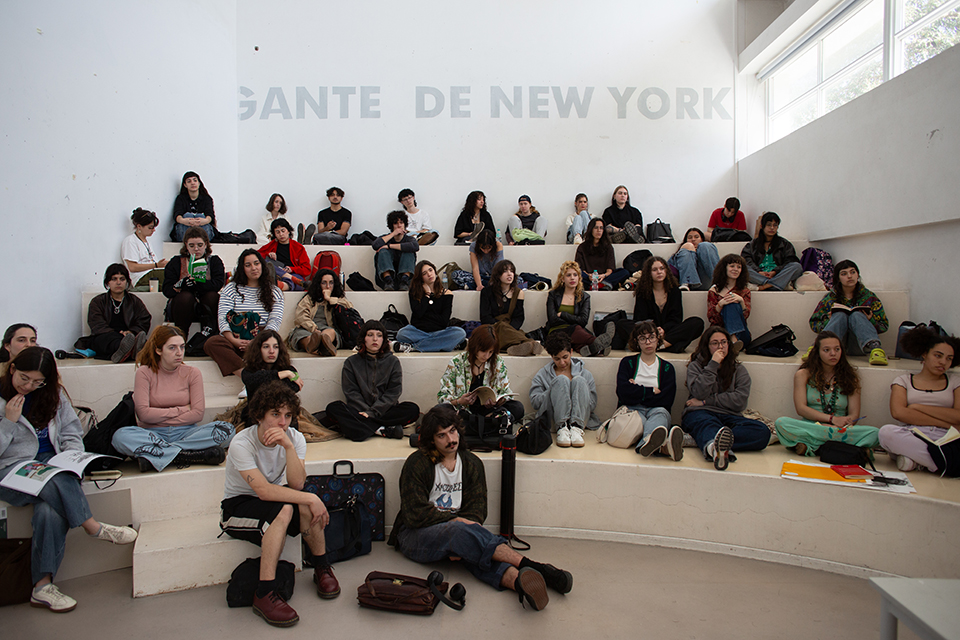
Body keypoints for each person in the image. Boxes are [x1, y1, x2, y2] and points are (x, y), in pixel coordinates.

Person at [388, 404, 573, 611]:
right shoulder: (417, 463)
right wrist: (456, 524)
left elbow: (477, 510)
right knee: (460, 533)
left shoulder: (471, 463)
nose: (451, 439)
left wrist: (459, 535)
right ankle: (537, 567)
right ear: (432, 440)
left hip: (460, 533)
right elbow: (414, 513)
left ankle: (520, 583)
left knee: (473, 549)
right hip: (415, 535)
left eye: (452, 431)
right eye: (442, 435)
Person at [0, 347, 138, 613]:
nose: (29, 386)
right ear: (13, 369)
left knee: (49, 509)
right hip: (10, 469)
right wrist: (8, 422)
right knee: (53, 479)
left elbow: (71, 433)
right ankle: (93, 526)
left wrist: (72, 458)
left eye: (37, 382)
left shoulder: (54, 394)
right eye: (24, 378)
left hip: (50, 463)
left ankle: (42, 587)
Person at [220, 382, 340, 627]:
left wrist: (288, 447)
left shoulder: (294, 438)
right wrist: (312, 497)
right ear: (259, 416)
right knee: (293, 505)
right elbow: (263, 491)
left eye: (287, 416)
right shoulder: (242, 443)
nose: (282, 423)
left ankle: (321, 566)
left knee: (302, 503)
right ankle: (264, 593)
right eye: (275, 414)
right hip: (238, 507)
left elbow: (296, 484)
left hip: (273, 500)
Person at [111, 326, 233, 472]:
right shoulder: (144, 372)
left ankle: (161, 454)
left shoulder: (192, 373)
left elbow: (197, 414)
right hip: (152, 434)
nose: (179, 353)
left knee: (227, 430)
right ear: (159, 350)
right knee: (120, 436)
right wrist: (181, 410)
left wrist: (158, 415)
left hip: (186, 433)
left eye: (182, 347)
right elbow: (143, 414)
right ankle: (188, 455)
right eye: (172, 348)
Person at [774, 331, 878, 456]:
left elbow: (854, 414)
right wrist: (831, 419)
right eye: (826, 350)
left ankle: (812, 446)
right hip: (813, 426)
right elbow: (801, 409)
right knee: (781, 423)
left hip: (839, 429)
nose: (833, 353)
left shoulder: (851, 377)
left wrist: (841, 424)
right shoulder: (803, 374)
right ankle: (845, 448)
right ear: (817, 352)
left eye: (837, 349)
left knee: (875, 433)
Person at [681, 327, 770, 470]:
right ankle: (715, 449)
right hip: (700, 413)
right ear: (707, 346)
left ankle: (705, 440)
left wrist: (706, 402)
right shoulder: (695, 366)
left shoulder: (739, 370)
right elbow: (699, 392)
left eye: (724, 342)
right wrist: (713, 365)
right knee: (707, 423)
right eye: (715, 343)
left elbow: (740, 401)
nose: (720, 347)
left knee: (762, 432)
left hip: (729, 416)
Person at [878, 327, 960, 473]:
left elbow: (958, 416)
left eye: (949, 358)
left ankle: (917, 461)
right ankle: (942, 463)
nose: (943, 362)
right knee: (886, 433)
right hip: (913, 434)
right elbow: (899, 413)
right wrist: (946, 423)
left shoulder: (955, 382)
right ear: (924, 354)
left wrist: (917, 407)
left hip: (947, 436)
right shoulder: (903, 380)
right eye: (938, 355)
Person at [324, 320, 420, 441]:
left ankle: (362, 428)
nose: (375, 339)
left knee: (412, 409)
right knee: (333, 408)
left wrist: (372, 412)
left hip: (384, 410)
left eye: (379, 335)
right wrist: (365, 411)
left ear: (384, 340)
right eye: (370, 335)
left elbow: (393, 392)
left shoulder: (392, 362)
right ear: (363, 338)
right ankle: (382, 429)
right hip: (359, 410)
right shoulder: (351, 362)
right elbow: (351, 392)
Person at [204, 249, 284, 378]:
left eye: (256, 263)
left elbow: (274, 321)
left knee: (272, 347)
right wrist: (234, 340)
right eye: (248, 265)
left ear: (262, 265)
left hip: (262, 339)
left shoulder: (275, 292)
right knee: (212, 343)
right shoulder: (231, 289)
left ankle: (251, 374)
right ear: (242, 268)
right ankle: (248, 376)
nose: (253, 268)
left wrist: (257, 342)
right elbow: (223, 318)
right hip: (236, 337)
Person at [616, 322, 683, 460]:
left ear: (658, 339)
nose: (648, 342)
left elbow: (666, 400)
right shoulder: (627, 363)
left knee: (661, 414)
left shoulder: (667, 368)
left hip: (657, 411)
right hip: (633, 410)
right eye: (642, 338)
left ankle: (647, 443)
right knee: (642, 421)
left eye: (651, 337)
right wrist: (651, 391)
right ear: (636, 341)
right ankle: (661, 447)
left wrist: (636, 390)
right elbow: (623, 393)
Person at [438, 324, 525, 426]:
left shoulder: (497, 362)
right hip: (463, 411)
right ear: (474, 346)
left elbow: (506, 392)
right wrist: (459, 401)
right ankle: (487, 423)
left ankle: (482, 421)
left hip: (489, 411)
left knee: (518, 407)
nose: (486, 356)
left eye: (491, 352)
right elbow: (442, 397)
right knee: (440, 410)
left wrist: (497, 401)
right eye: (483, 351)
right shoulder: (457, 362)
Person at [809, 260, 889, 366]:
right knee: (840, 315)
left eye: (852, 272)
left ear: (858, 275)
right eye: (844, 274)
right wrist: (830, 320)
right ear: (838, 278)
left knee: (856, 315)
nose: (849, 276)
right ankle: (816, 349)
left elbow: (884, 325)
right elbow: (814, 323)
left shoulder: (869, 297)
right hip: (834, 347)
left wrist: (870, 320)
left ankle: (876, 350)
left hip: (860, 344)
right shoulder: (830, 299)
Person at [530, 332, 600, 448]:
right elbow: (535, 402)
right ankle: (561, 428)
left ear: (571, 352)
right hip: (552, 420)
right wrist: (555, 390)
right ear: (551, 357)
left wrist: (576, 394)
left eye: (565, 357)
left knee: (579, 380)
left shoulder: (585, 374)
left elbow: (592, 405)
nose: (562, 363)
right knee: (561, 380)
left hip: (581, 420)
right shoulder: (542, 374)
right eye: (557, 359)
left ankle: (576, 428)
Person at [633, 256, 704, 353]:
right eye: (654, 270)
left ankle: (662, 345)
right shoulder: (642, 292)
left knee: (697, 322)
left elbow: (676, 318)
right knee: (622, 324)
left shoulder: (674, 291)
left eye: (662, 268)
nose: (659, 272)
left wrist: (664, 330)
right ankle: (672, 346)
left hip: (669, 332)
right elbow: (640, 318)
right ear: (648, 273)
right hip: (648, 333)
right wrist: (654, 331)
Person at [162, 227, 225, 337]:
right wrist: (183, 284)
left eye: (200, 245)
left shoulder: (215, 261)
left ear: (206, 244)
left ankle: (210, 335)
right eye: (192, 246)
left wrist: (199, 283)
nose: (196, 249)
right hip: (182, 307)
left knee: (212, 296)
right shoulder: (176, 262)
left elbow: (218, 284)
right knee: (185, 297)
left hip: (206, 305)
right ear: (186, 245)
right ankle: (182, 336)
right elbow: (167, 290)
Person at [394, 260, 466, 353]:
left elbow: (444, 321)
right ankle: (445, 344)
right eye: (424, 273)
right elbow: (418, 314)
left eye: (430, 270)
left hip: (440, 332)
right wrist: (427, 295)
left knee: (460, 333)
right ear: (420, 278)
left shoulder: (447, 294)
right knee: (402, 334)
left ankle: (414, 347)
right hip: (418, 332)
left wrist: (426, 317)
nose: (429, 274)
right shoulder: (414, 292)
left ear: (435, 271)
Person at [546, 260, 614, 357]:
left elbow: (583, 321)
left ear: (579, 278)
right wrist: (574, 321)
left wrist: (563, 314)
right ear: (562, 279)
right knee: (576, 329)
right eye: (568, 275)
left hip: (576, 334)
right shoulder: (553, 295)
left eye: (575, 275)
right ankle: (597, 342)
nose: (572, 278)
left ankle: (594, 350)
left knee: (577, 338)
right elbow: (552, 320)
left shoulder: (584, 297)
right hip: (556, 332)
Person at [85, 263, 151, 363]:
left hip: (130, 336)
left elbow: (144, 319)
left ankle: (130, 350)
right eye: (114, 279)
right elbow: (97, 324)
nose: (118, 282)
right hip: (106, 336)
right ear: (108, 282)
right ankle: (127, 350)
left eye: (122, 279)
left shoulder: (134, 301)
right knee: (107, 341)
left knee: (141, 341)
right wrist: (117, 334)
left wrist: (131, 332)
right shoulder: (98, 301)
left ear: (127, 282)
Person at [479, 259, 543, 356]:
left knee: (509, 330)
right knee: (502, 326)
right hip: (493, 328)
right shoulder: (487, 292)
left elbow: (519, 317)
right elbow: (485, 316)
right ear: (498, 275)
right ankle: (528, 343)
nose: (509, 274)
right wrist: (500, 326)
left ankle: (517, 347)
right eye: (505, 271)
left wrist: (509, 329)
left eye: (511, 271)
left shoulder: (518, 293)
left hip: (511, 329)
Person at [287, 268, 353, 357]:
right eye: (324, 283)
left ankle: (322, 345)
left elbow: (349, 308)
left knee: (330, 332)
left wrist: (329, 299)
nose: (328, 286)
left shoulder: (338, 298)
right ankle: (318, 347)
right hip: (309, 329)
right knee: (302, 336)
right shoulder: (309, 298)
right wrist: (314, 329)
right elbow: (301, 316)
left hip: (328, 328)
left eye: (331, 283)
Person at [740, 211, 802, 291]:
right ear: (762, 226)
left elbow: (790, 260)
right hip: (759, 275)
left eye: (775, 225)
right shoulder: (752, 245)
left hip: (778, 274)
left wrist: (775, 271)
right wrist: (759, 271)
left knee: (797, 266)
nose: (772, 228)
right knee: (742, 267)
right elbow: (746, 259)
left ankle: (765, 286)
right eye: (769, 225)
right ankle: (778, 284)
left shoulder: (784, 244)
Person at [241, 329, 303, 405]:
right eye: (266, 347)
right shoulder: (249, 371)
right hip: (256, 411)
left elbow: (294, 387)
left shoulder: (289, 369)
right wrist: (283, 374)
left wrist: (285, 373)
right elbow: (254, 381)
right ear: (258, 349)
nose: (271, 351)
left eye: (275, 347)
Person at [707, 254, 752, 348]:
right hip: (719, 333)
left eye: (739, 267)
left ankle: (733, 340)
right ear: (724, 268)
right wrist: (720, 304)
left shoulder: (744, 291)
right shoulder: (714, 290)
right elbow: (712, 318)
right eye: (732, 266)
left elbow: (745, 316)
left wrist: (741, 301)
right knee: (728, 302)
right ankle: (732, 342)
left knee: (732, 303)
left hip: (741, 336)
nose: (736, 269)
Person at [575, 218, 631, 290]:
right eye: (596, 228)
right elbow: (579, 268)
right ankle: (603, 285)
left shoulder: (608, 247)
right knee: (576, 272)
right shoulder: (582, 247)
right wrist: (589, 276)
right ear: (591, 229)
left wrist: (603, 275)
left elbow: (610, 269)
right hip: (588, 278)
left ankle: (602, 284)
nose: (599, 230)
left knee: (624, 272)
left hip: (604, 277)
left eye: (601, 228)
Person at [258, 218, 311, 291]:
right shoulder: (271, 245)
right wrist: (268, 254)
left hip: (294, 275)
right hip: (277, 274)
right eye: (277, 232)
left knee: (297, 282)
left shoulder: (298, 247)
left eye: (283, 231)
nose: (281, 234)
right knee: (266, 262)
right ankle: (283, 283)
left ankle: (279, 284)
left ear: (288, 231)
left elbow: (307, 269)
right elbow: (256, 255)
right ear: (274, 234)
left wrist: (291, 269)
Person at [372, 210, 419, 291]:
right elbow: (375, 245)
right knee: (383, 251)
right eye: (395, 223)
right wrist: (393, 234)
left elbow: (415, 246)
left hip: (406, 281)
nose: (399, 225)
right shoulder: (386, 238)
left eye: (401, 223)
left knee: (408, 251)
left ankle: (404, 280)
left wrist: (389, 246)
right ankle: (388, 280)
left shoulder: (409, 239)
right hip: (386, 281)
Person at [121, 207, 169, 281]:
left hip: (153, 274)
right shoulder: (130, 241)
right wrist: (156, 265)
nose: (153, 230)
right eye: (150, 228)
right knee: (171, 275)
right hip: (141, 277)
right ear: (139, 226)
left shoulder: (147, 242)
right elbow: (132, 267)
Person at [667, 227, 720, 291]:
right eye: (690, 237)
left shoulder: (706, 247)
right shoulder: (681, 254)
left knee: (705, 245)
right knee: (686, 250)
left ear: (701, 239)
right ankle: (686, 283)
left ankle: (718, 282)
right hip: (684, 284)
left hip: (707, 281)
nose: (693, 239)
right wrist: (689, 253)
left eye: (696, 237)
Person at [171, 171, 216, 242]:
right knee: (187, 215)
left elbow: (210, 216)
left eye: (195, 180)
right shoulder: (180, 198)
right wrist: (186, 221)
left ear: (199, 183)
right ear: (185, 185)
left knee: (200, 216)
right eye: (189, 181)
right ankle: (189, 242)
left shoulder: (207, 198)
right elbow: (177, 216)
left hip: (202, 227)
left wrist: (201, 221)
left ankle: (201, 243)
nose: (192, 183)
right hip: (186, 229)